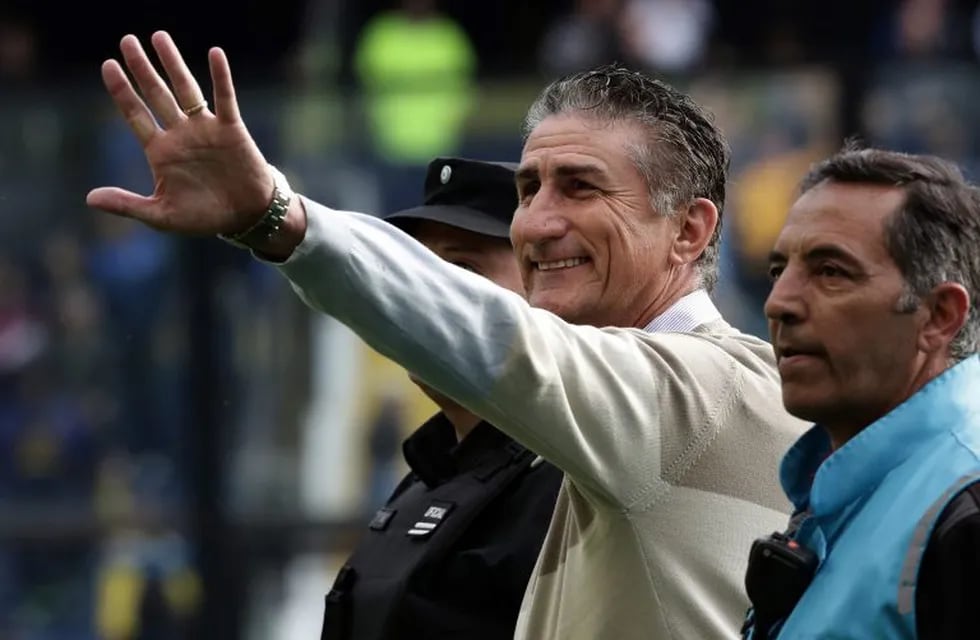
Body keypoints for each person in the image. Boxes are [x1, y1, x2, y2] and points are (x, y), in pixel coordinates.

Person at [87, 32, 807, 639]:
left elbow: (499, 338)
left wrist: (275, 216)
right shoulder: (553, 441)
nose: (539, 222)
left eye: (580, 188)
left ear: (690, 230)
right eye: (530, 189)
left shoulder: (695, 390)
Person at [742, 146, 980, 639]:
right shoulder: (840, 483)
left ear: (939, 316)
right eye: (777, 271)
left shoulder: (965, 510)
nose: (779, 302)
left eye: (831, 272)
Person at [321, 156, 563, 640]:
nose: (431, 296)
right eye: (423, 271)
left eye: (463, 269)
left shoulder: (566, 485)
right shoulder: (428, 472)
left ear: (544, 285)